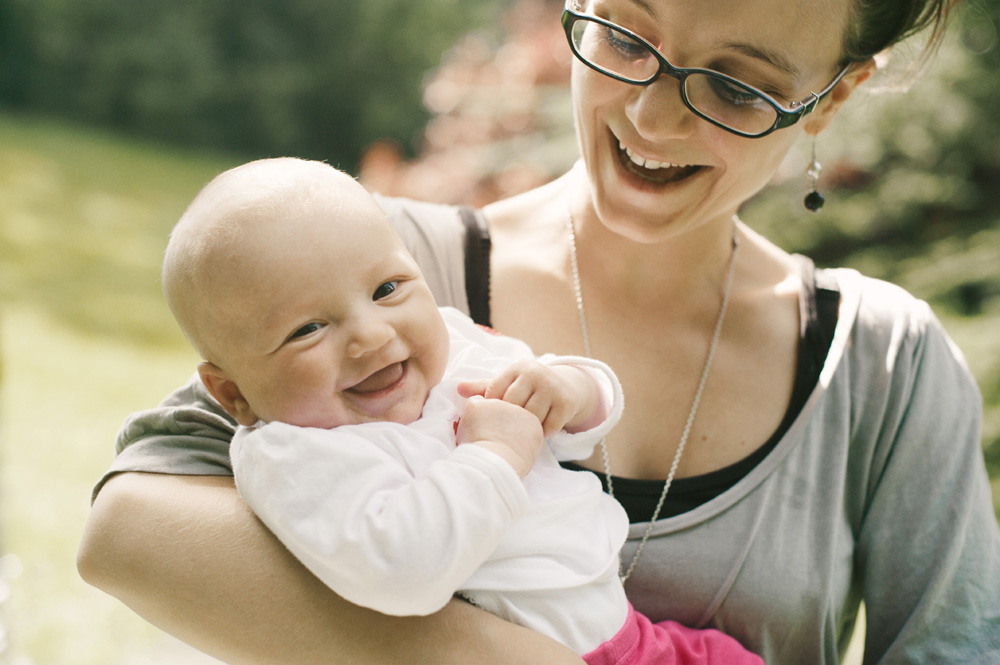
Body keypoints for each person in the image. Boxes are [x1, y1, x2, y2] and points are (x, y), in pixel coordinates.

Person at [78, 0, 1000, 663]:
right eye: (627, 36)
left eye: (734, 86)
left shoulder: (885, 363)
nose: (650, 114)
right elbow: (126, 531)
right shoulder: (385, 279)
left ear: (831, 100)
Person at [161, 156, 763, 664]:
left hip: (635, 639)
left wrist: (571, 390)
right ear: (234, 394)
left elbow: (577, 423)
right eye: (309, 328)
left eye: (388, 289)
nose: (371, 335)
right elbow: (402, 571)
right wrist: (495, 455)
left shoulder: (452, 347)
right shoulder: (297, 455)